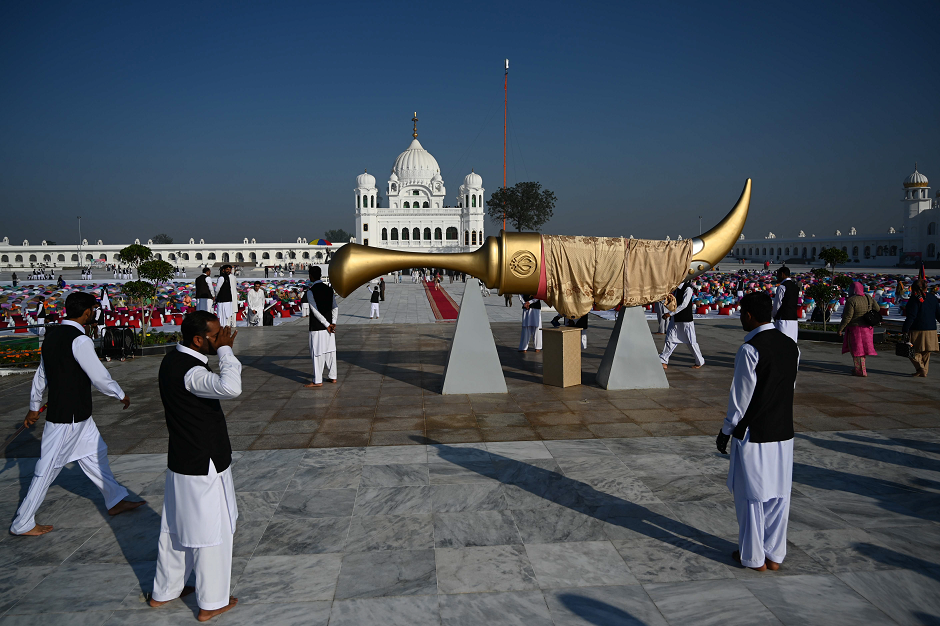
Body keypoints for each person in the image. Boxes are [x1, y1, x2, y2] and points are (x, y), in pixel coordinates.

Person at [10, 292, 144, 537]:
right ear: (85, 313)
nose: (93, 313)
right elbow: (98, 375)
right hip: (68, 417)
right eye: (92, 309)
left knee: (96, 453)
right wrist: (120, 393)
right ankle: (23, 522)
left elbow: (42, 375)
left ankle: (115, 500)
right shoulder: (80, 340)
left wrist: (33, 406)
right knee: (47, 468)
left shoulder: (51, 336)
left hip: (79, 414)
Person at [149, 311, 240, 621]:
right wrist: (226, 351)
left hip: (182, 460)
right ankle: (212, 602)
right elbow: (230, 387)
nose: (222, 338)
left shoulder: (172, 360)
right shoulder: (192, 373)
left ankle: (165, 592)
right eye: (216, 335)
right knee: (211, 531)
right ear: (198, 339)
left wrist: (220, 346)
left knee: (175, 528)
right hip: (204, 462)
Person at [716, 291, 799, 572]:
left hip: (755, 433)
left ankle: (753, 557)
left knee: (750, 496)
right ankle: (774, 554)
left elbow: (740, 400)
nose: (741, 318)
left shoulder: (749, 349)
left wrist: (726, 430)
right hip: (783, 432)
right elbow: (789, 388)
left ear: (749, 315)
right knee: (778, 495)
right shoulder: (791, 346)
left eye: (741, 313)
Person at [660, 281, 704, 369]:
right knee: (670, 339)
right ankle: (663, 360)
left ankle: (699, 361)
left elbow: (684, 305)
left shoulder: (687, 289)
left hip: (685, 320)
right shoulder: (675, 289)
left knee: (691, 342)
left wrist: (670, 313)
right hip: (675, 319)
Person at [305, 266, 337, 387]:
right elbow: (335, 307)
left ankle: (317, 380)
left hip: (318, 327)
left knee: (317, 353)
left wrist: (326, 324)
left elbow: (315, 310)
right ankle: (333, 376)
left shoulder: (310, 291)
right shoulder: (329, 290)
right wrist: (333, 322)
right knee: (330, 352)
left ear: (311, 276)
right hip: (330, 327)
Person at [837, 282, 878, 377]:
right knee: (863, 350)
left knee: (856, 350)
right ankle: (860, 368)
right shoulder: (868, 297)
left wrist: (840, 328)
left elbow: (848, 317)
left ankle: (860, 371)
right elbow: (877, 308)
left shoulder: (851, 300)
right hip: (868, 329)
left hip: (855, 329)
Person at [902, 279, 940, 377]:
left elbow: (911, 316)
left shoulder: (914, 299)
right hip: (931, 328)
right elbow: (938, 314)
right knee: (926, 352)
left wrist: (905, 329)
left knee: (912, 351)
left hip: (917, 329)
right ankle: (923, 371)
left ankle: (921, 369)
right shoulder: (933, 298)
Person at [772, 266, 799, 344]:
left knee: (781, 342)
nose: (777, 277)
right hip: (793, 318)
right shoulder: (795, 286)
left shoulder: (782, 287)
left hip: (783, 317)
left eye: (778, 275)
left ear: (782, 274)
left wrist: (775, 315)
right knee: (792, 342)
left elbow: (777, 304)